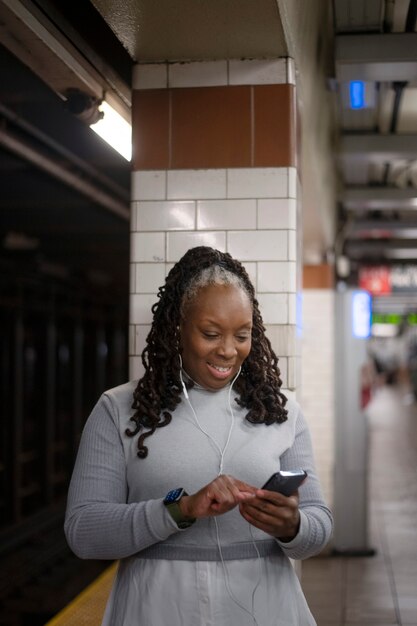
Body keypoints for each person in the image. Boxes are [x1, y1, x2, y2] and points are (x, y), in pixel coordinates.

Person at [65, 246, 333, 626]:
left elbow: (319, 525)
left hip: (265, 608)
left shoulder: (280, 410)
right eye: (210, 333)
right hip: (156, 607)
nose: (227, 350)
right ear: (177, 327)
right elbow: (83, 531)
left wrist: (293, 527)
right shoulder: (118, 409)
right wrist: (181, 509)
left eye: (242, 335)